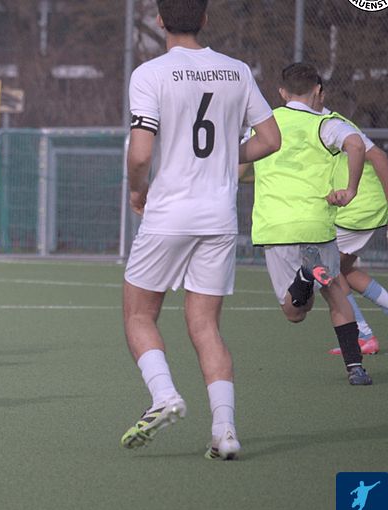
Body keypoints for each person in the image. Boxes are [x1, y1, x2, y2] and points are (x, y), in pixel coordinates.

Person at [120, 0, 280, 461]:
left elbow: (140, 154)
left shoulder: (150, 74)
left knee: (138, 315)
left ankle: (164, 396)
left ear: (159, 21)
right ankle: (225, 431)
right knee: (206, 325)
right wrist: (226, 157)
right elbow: (271, 139)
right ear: (205, 19)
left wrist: (137, 190)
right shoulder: (236, 70)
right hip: (218, 217)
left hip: (169, 213)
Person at [248, 62, 372, 385]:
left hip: (276, 227)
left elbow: (238, 163)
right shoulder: (326, 124)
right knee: (335, 291)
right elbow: (356, 144)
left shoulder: (263, 125)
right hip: (316, 225)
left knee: (295, 313)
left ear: (282, 92)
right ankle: (356, 369)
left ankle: (305, 275)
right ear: (318, 91)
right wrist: (351, 189)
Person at [310, 96, 388, 356]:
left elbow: (379, 156)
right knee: (344, 270)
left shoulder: (332, 124)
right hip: (357, 208)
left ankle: (363, 335)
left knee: (325, 270)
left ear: (318, 94)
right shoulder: (316, 124)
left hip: (358, 209)